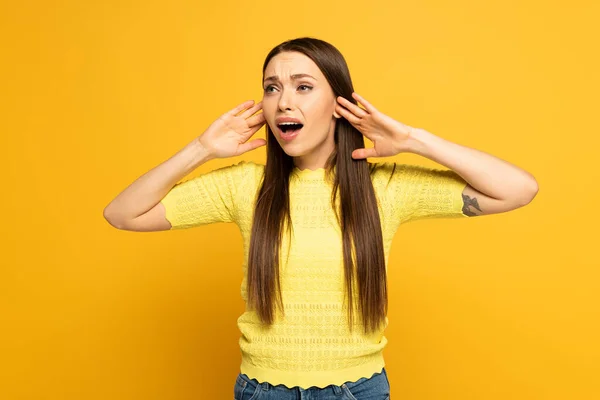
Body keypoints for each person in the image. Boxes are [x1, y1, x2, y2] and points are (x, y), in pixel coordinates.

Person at [103, 37, 538, 400]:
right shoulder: (243, 187)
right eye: (271, 88)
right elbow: (122, 213)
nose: (283, 102)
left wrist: (413, 140)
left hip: (357, 390)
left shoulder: (385, 187)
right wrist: (201, 149)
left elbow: (518, 189)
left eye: (302, 86)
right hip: (262, 391)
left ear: (338, 103)